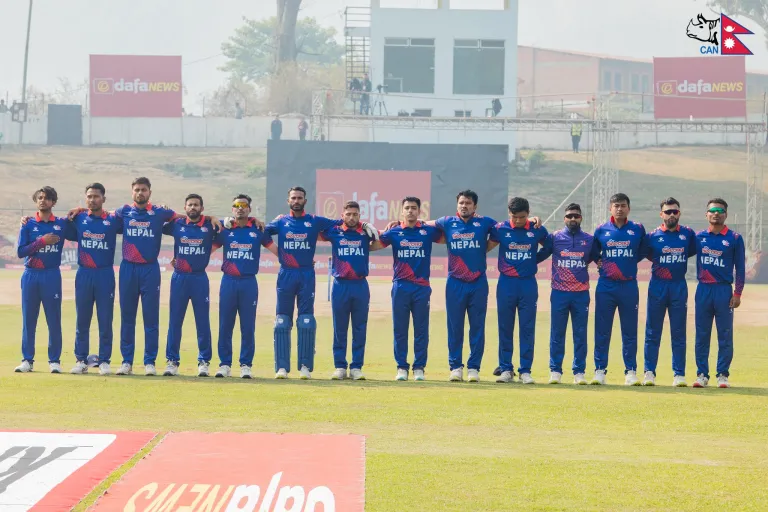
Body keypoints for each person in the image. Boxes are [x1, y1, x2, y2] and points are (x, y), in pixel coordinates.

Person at [264, 187, 376, 380]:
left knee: (306, 321)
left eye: (300, 198)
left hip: (308, 274)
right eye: (293, 198)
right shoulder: (281, 221)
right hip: (286, 274)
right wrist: (279, 253)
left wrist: (364, 223)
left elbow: (342, 222)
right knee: (282, 321)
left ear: (305, 201)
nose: (296, 201)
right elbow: (261, 232)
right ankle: (282, 367)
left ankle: (305, 367)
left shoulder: (315, 221)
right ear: (288, 200)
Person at [113, 178, 178, 376]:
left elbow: (186, 219)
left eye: (143, 189)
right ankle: (127, 362)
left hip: (150, 269)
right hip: (128, 269)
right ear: (132, 192)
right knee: (127, 318)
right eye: (137, 190)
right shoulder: (124, 211)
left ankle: (150, 362)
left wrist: (210, 218)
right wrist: (80, 210)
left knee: (151, 318)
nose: (140, 193)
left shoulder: (160, 212)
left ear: (150, 192)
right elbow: (100, 215)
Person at [433, 190, 497, 382]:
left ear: (475, 206)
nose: (464, 206)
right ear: (457, 205)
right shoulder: (447, 222)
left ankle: (474, 368)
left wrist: (532, 220)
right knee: (455, 327)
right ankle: (455, 367)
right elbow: (422, 224)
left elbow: (507, 227)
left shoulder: (485, 222)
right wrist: (398, 222)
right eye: (461, 203)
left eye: (468, 203)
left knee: (477, 327)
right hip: (455, 282)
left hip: (478, 282)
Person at [379, 197, 443, 381]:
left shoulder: (428, 231)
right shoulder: (394, 231)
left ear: (419, 211)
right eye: (407, 208)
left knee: (421, 329)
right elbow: (373, 244)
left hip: (421, 287)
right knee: (400, 329)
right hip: (401, 286)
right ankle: (401, 367)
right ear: (402, 211)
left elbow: (449, 237)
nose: (410, 211)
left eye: (414, 208)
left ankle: (419, 367)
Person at [486, 197, 548, 384]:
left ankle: (525, 370)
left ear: (528, 213)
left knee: (527, 328)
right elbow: (485, 246)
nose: (518, 221)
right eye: (515, 217)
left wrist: (534, 259)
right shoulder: (500, 229)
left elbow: (549, 246)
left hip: (528, 284)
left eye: (522, 217)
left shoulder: (537, 229)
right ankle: (506, 369)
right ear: (509, 214)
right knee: (505, 327)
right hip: (506, 283)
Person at [321, 200, 385, 381]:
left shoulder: (365, 233)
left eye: (355, 214)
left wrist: (372, 228)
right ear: (342, 215)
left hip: (360, 285)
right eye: (348, 214)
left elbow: (382, 239)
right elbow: (314, 232)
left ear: (359, 216)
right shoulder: (334, 232)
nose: (351, 217)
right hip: (340, 285)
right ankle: (340, 366)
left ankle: (356, 367)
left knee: (359, 327)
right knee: (339, 328)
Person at [214, 194, 276, 379]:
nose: (240, 208)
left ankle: (246, 365)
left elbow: (276, 251)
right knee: (225, 325)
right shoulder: (225, 230)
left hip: (249, 282)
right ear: (232, 209)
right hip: (228, 281)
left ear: (249, 209)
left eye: (244, 205)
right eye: (237, 205)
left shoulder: (258, 229)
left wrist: (299, 262)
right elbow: (206, 248)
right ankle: (225, 364)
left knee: (247, 326)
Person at [537, 203, 599, 385]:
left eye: (576, 216)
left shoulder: (589, 239)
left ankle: (579, 372)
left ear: (581, 218)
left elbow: (598, 258)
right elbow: (540, 255)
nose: (573, 219)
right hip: (559, 293)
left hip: (581, 294)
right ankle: (555, 370)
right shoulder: (555, 237)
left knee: (580, 334)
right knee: (557, 333)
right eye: (569, 216)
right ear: (564, 218)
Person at [591, 193, 648, 385]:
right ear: (610, 209)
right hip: (606, 286)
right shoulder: (601, 229)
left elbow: (644, 250)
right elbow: (593, 252)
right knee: (602, 330)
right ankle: (600, 370)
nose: (620, 209)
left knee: (629, 330)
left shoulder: (637, 229)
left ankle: (630, 371)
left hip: (628, 286)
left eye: (623, 205)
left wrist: (629, 261)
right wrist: (600, 261)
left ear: (628, 208)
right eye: (616, 206)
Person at [67, 183, 122, 376]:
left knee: (105, 319)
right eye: (89, 196)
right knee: (82, 319)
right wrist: (26, 219)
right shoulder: (79, 218)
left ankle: (104, 360)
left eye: (96, 196)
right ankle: (81, 360)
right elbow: (52, 222)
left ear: (103, 199)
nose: (92, 199)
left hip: (104, 274)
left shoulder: (113, 220)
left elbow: (137, 222)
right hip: (84, 273)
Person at [161, 194, 218, 377]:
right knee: (175, 321)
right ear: (185, 208)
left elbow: (233, 222)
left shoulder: (210, 225)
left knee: (202, 321)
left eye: (196, 205)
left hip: (199, 278)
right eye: (190, 205)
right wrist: (165, 211)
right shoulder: (176, 225)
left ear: (202, 208)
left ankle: (204, 362)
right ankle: (172, 361)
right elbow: (157, 224)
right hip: (179, 278)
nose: (193, 207)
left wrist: (212, 217)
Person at [642, 198, 697, 387]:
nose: (671, 215)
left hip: (678, 286)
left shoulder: (688, 234)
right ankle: (649, 372)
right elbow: (647, 254)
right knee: (652, 331)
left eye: (675, 211)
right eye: (668, 212)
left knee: (679, 332)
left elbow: (691, 251)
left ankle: (679, 374)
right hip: (658, 286)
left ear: (679, 213)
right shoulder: (652, 236)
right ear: (661, 214)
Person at [15, 186, 69, 373]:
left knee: (53, 319)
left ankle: (54, 361)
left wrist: (79, 209)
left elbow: (84, 223)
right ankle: (27, 360)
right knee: (29, 320)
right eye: (40, 197)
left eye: (46, 198)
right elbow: (20, 252)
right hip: (31, 275)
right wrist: (42, 242)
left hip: (51, 275)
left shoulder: (61, 224)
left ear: (53, 202)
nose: (42, 201)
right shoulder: (28, 224)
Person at [693, 198, 745, 389]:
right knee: (702, 334)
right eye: (712, 210)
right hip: (703, 289)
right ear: (706, 214)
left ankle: (722, 374)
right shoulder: (698, 237)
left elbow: (740, 268)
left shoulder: (735, 238)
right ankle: (702, 374)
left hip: (723, 290)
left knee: (725, 334)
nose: (716, 213)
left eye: (720, 211)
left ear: (726, 215)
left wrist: (738, 293)